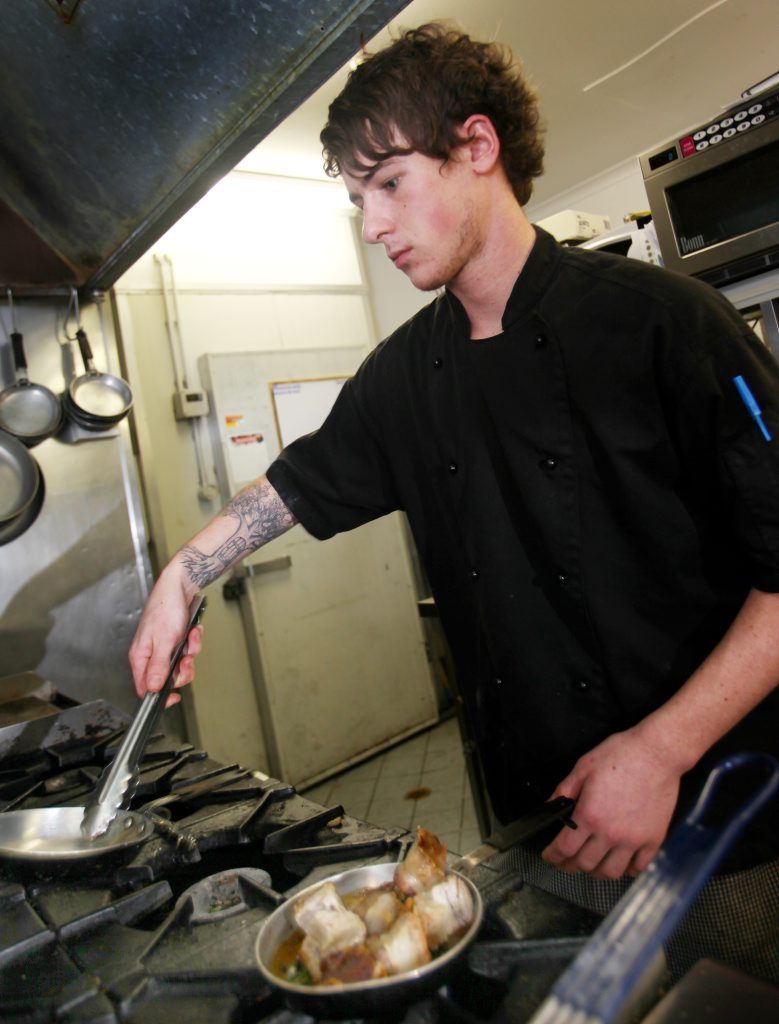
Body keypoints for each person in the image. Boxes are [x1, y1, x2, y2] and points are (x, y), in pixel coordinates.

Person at [129, 22, 779, 980]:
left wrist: (656, 752)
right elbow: (298, 486)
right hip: (533, 831)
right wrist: (184, 573)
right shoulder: (404, 377)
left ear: (479, 147)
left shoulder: (667, 325)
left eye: (389, 184)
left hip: (711, 829)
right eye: (357, 200)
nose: (373, 225)